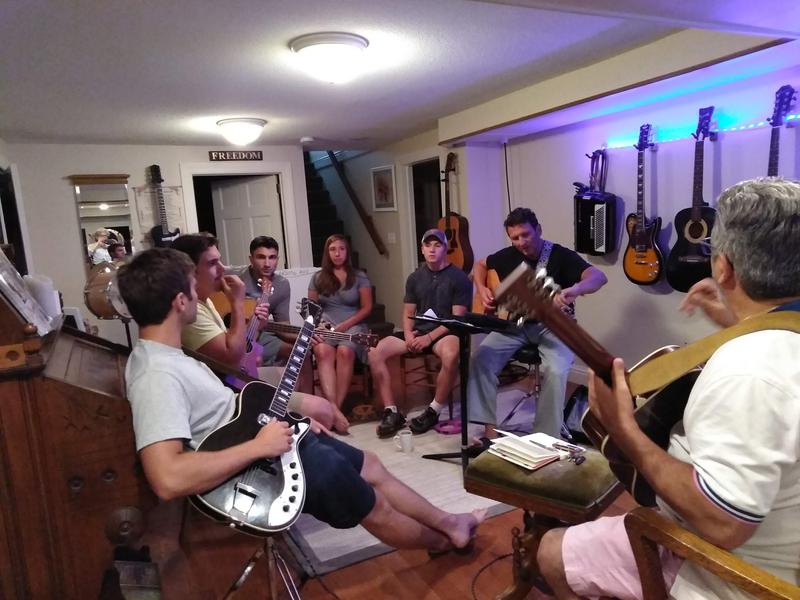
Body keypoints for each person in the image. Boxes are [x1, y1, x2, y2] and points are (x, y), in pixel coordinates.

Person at [118, 246, 485, 553]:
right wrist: (259, 446)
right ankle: (442, 543)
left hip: (265, 436)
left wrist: (294, 420)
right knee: (375, 509)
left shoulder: (168, 354)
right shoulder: (155, 375)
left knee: (370, 463)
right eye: (192, 290)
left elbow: (228, 409)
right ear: (180, 301)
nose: (200, 295)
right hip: (260, 462)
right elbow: (166, 477)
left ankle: (450, 523)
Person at [536, 177, 800, 600]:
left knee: (550, 550)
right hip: (785, 542)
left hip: (740, 575)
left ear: (723, 267)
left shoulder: (748, 371)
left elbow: (724, 525)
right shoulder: (776, 344)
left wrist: (627, 433)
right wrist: (739, 325)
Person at [170, 233, 337, 431]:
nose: (223, 269)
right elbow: (233, 357)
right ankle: (291, 424)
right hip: (228, 390)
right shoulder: (192, 310)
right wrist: (238, 303)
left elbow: (249, 351)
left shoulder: (206, 301)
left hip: (238, 372)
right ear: (190, 271)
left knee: (298, 368)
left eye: (272, 257)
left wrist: (301, 332)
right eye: (213, 263)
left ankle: (296, 423)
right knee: (322, 410)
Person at [468, 207, 607, 440]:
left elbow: (598, 277)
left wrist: (576, 289)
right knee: (481, 358)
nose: (521, 242)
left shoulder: (560, 256)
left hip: (555, 327)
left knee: (555, 370)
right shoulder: (508, 256)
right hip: (516, 326)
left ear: (538, 230)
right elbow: (480, 265)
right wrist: (481, 289)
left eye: (526, 235)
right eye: (515, 238)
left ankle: (544, 438)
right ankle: (490, 433)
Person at [369, 229, 472, 438]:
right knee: (375, 352)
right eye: (428, 245)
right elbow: (408, 312)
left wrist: (428, 338)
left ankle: (434, 409)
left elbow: (456, 319)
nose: (432, 250)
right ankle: (392, 411)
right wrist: (408, 335)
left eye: (437, 245)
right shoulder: (415, 277)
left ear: (445, 249)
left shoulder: (459, 278)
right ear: (422, 249)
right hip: (418, 330)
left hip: (446, 331)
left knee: (452, 354)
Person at [308, 234, 373, 414]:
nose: (337, 253)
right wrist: (318, 324)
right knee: (322, 351)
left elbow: (367, 307)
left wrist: (346, 325)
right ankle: (333, 408)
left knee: (345, 352)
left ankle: (336, 406)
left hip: (353, 323)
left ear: (347, 252)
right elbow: (311, 309)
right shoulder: (318, 277)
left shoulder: (359, 276)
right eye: (333, 249)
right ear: (327, 253)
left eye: (341, 249)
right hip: (327, 325)